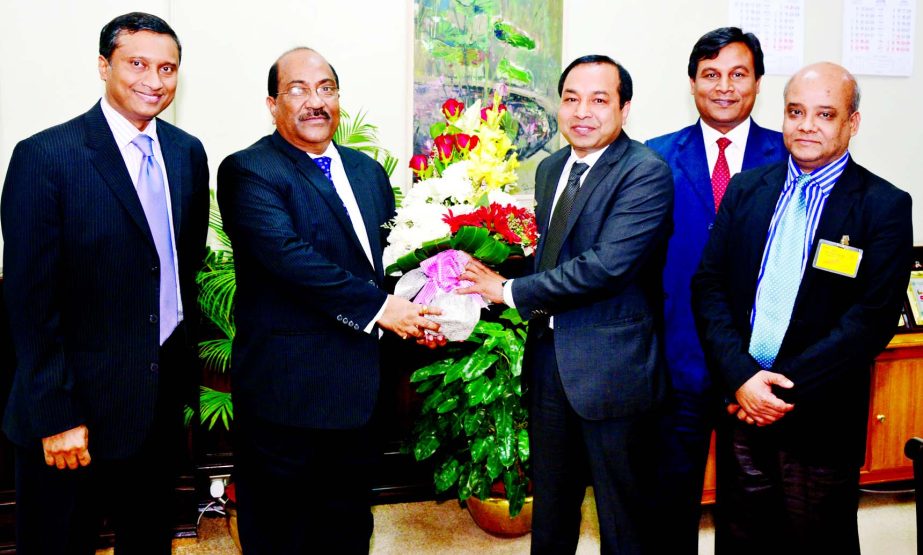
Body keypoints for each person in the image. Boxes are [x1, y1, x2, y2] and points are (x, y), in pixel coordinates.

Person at [216, 47, 442, 554]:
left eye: (326, 89)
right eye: (297, 89)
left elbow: (385, 264)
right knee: (281, 531)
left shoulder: (368, 172)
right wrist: (385, 310)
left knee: (346, 525)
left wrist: (421, 307)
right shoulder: (249, 171)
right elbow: (290, 259)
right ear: (272, 103)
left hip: (361, 391)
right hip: (287, 395)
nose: (314, 101)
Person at [0, 12, 209, 553]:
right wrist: (58, 415)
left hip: (157, 403)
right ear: (103, 65)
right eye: (137, 63)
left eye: (167, 68)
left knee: (148, 539)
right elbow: (29, 302)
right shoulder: (46, 157)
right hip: (75, 410)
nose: (154, 80)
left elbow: (178, 267)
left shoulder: (187, 154)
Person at [691, 62, 913, 554]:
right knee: (740, 540)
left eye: (825, 114)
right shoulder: (748, 189)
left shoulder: (885, 206)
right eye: (796, 111)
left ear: (852, 123)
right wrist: (743, 380)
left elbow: (869, 320)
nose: (807, 125)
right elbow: (709, 287)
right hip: (740, 406)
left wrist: (776, 391)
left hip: (820, 418)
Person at [460, 55, 673, 554]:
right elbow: (547, 258)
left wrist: (507, 292)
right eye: (572, 98)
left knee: (624, 520)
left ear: (624, 108)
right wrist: (477, 267)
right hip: (549, 362)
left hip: (613, 371)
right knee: (552, 509)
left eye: (599, 100)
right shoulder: (552, 167)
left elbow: (606, 266)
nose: (582, 112)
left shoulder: (645, 172)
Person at [644, 27, 786, 552]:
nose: (724, 87)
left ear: (758, 83)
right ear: (692, 82)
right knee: (667, 502)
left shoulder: (791, 156)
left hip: (757, 368)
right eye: (711, 75)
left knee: (753, 510)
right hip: (675, 361)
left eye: (738, 74)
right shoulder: (653, 157)